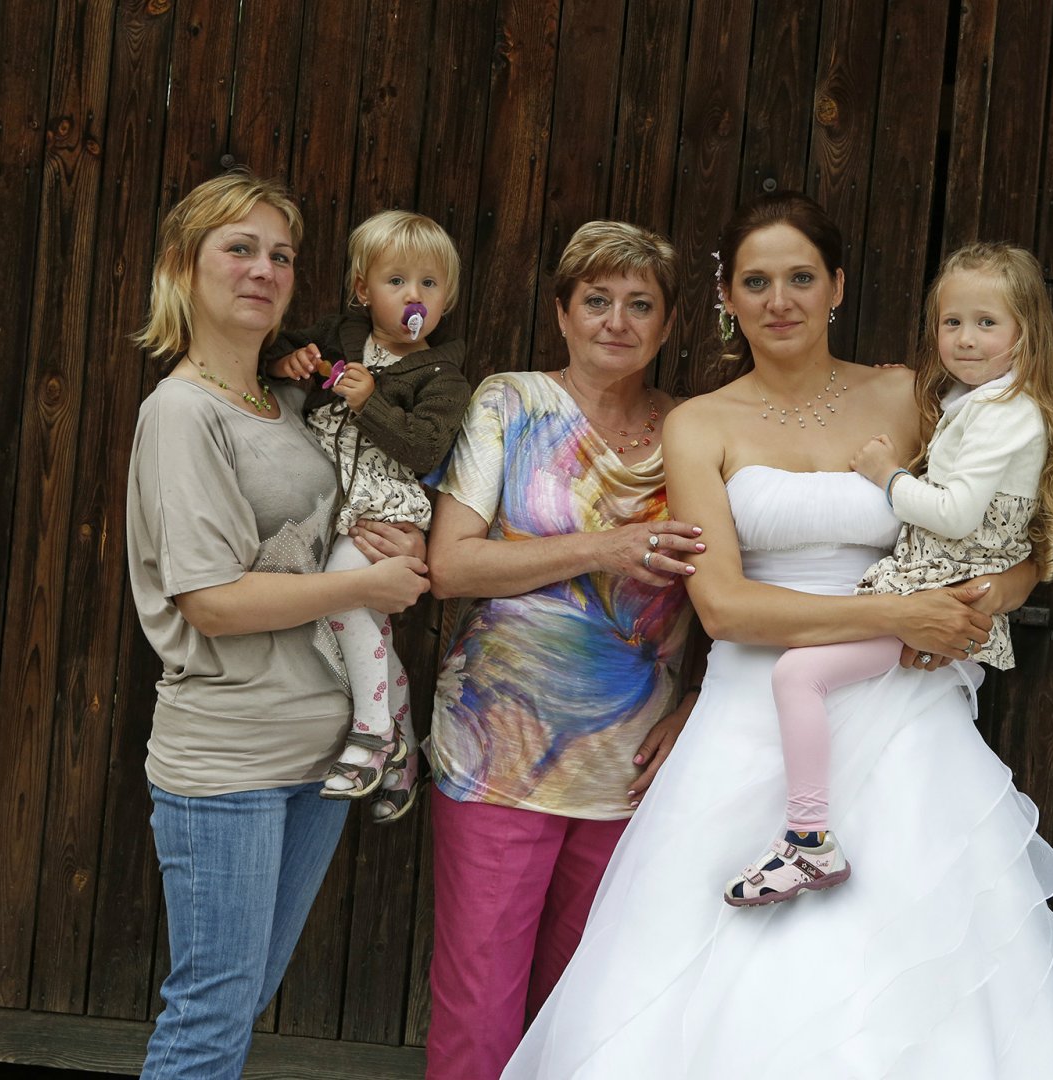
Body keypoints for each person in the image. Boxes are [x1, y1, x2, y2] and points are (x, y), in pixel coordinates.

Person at [503, 192, 1053, 1078]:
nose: (779, 300)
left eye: (800, 278)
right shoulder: (699, 423)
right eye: (755, 282)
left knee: (904, 950)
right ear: (727, 298)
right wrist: (895, 615)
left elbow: (1014, 533)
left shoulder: (908, 395)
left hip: (902, 705)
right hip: (754, 702)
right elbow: (724, 608)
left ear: (836, 287)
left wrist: (986, 599)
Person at [124, 170, 430, 1079]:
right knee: (209, 1016)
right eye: (239, 248)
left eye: (281, 255)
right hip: (231, 756)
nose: (263, 269)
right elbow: (212, 603)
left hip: (319, 751)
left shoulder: (289, 404)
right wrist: (366, 588)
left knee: (244, 998)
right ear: (183, 266)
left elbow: (344, 518)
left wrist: (391, 539)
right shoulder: (181, 412)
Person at [422, 220, 704, 1080]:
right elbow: (451, 565)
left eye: (639, 305)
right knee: (479, 1006)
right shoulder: (510, 404)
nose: (616, 321)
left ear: (667, 324)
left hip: (632, 766)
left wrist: (699, 701)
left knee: (585, 1012)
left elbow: (738, 584)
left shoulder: (694, 432)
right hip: (498, 749)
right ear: (561, 312)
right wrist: (602, 549)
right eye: (596, 300)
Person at [724, 241, 1053, 906]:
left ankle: (807, 841)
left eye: (986, 323)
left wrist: (885, 475)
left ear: (1025, 333)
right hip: (919, 588)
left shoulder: (1005, 415)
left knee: (797, 674)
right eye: (952, 322)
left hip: (935, 596)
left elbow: (955, 513)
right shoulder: (968, 402)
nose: (965, 339)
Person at [266, 210, 470, 822]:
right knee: (360, 627)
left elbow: (425, 448)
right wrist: (286, 362)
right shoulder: (341, 335)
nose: (414, 296)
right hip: (331, 508)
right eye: (396, 281)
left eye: (429, 284)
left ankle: (373, 731)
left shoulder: (442, 376)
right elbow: (277, 344)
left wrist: (372, 402)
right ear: (363, 290)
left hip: (384, 511)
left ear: (446, 299)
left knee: (344, 598)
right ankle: (403, 756)